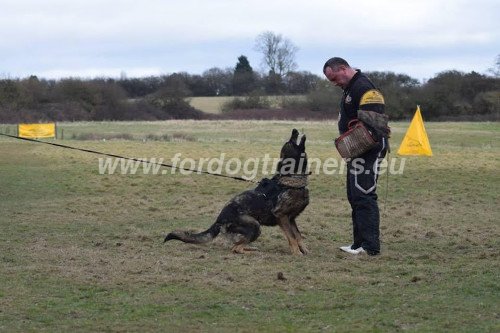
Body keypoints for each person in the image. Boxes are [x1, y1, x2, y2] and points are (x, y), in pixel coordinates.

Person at [323, 57, 388, 256]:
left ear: (343, 68)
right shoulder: (350, 89)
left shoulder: (365, 88)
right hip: (358, 153)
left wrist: (352, 144)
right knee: (355, 196)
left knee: (364, 194)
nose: (335, 84)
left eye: (335, 78)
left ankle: (370, 247)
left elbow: (374, 126)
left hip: (368, 151)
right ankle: (358, 244)